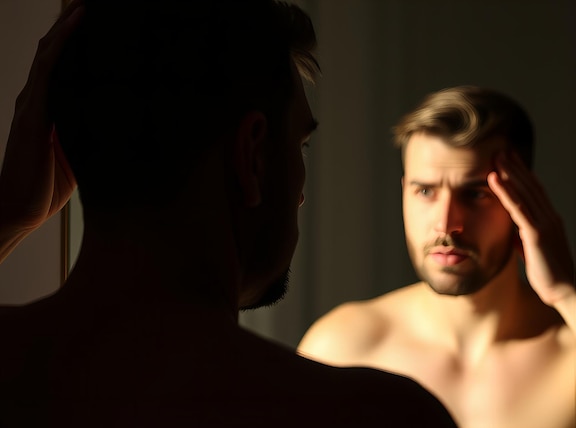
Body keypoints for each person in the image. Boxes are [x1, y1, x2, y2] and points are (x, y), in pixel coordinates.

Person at [0, 1, 458, 427]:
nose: (300, 194)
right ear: (253, 155)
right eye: (299, 144)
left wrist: (9, 213)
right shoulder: (370, 416)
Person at [298, 86, 576, 428]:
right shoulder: (343, 349)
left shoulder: (575, 353)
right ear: (404, 192)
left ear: (524, 200)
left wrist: (566, 294)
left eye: (475, 193)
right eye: (426, 191)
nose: (447, 224)